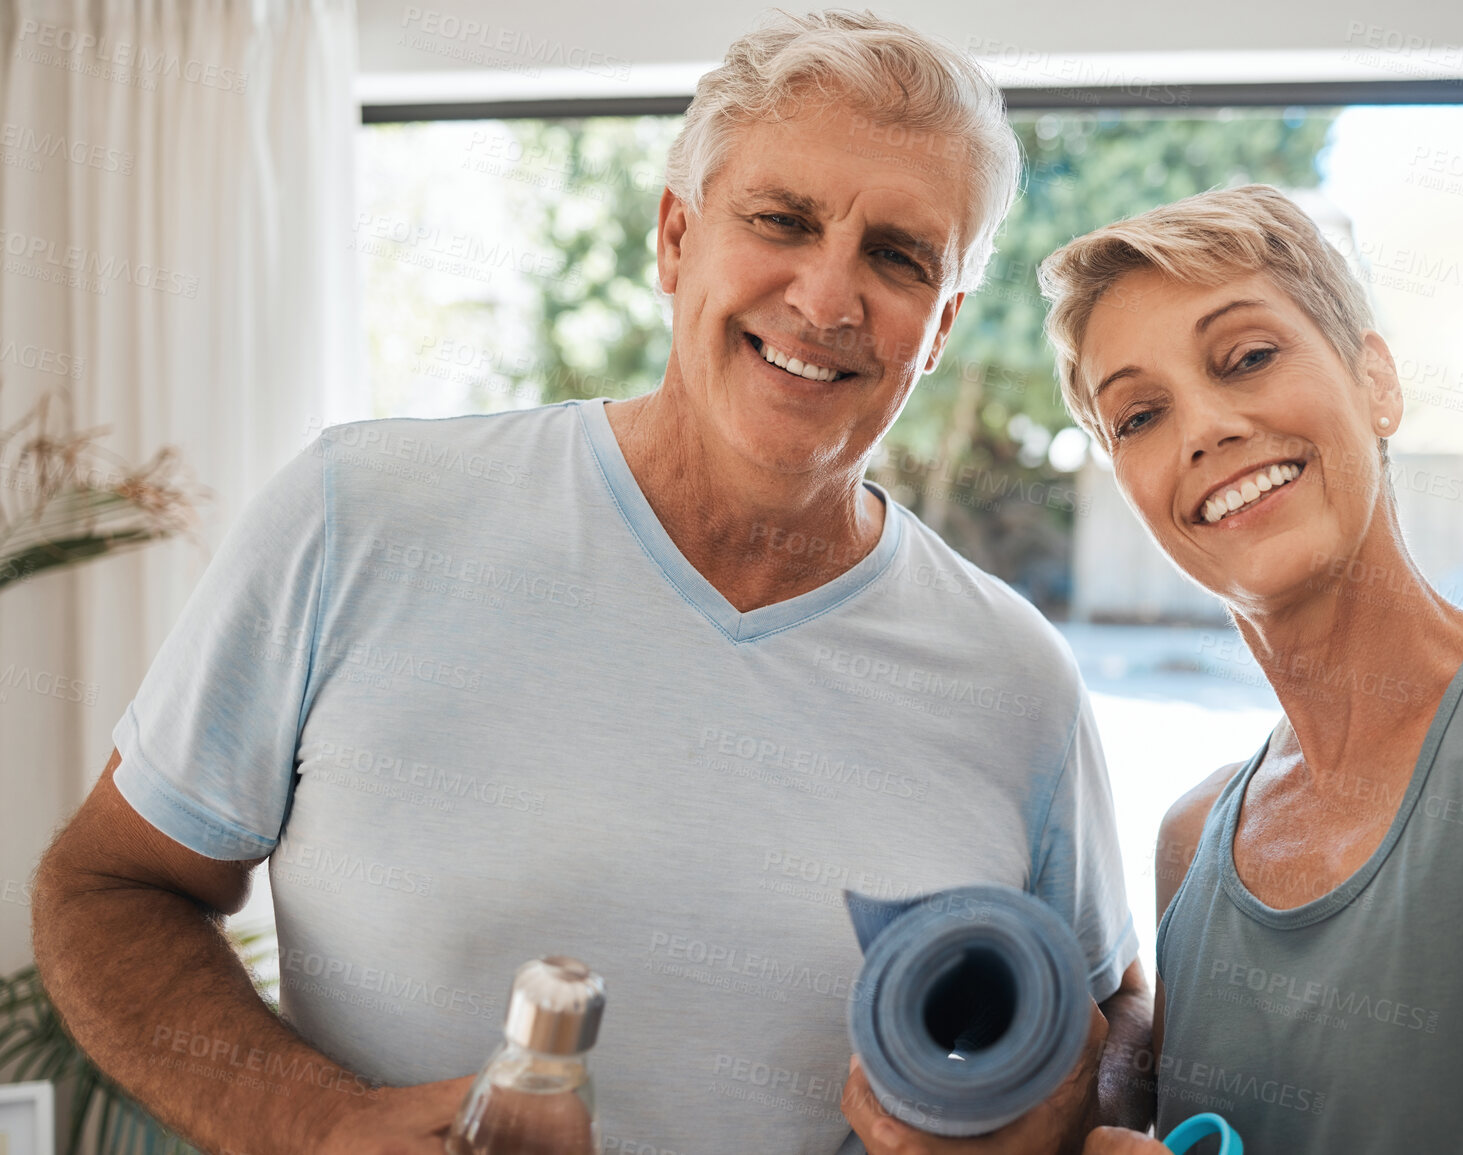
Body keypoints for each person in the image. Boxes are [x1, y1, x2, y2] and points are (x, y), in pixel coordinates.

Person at [29, 13, 1152, 1155]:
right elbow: (107, 891)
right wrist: (319, 1124)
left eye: (899, 257)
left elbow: (1116, 1015)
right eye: (782, 220)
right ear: (675, 239)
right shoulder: (357, 519)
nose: (826, 299)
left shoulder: (1016, 683)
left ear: (943, 325)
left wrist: (1063, 1115)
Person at [1037, 185, 1463, 1153]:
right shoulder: (1190, 846)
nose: (1203, 427)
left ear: (1376, 383)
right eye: (1141, 415)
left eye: (1248, 357)